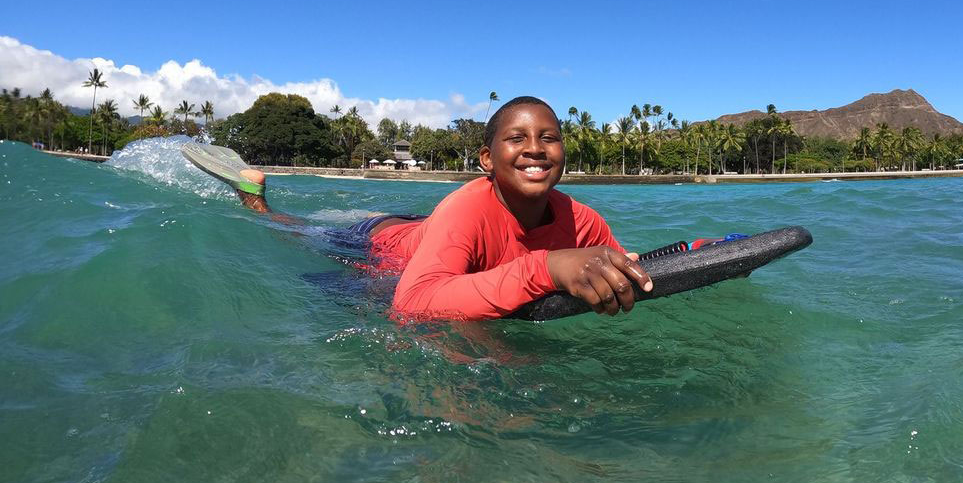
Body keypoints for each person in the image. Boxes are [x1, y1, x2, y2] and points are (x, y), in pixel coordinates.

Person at [234, 96, 652, 321]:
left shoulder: (582, 221)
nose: (535, 149)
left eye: (549, 137)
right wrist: (546, 267)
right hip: (379, 243)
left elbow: (613, 264)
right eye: (517, 138)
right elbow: (413, 301)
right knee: (301, 234)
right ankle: (257, 204)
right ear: (486, 160)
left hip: (433, 231)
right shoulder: (468, 206)